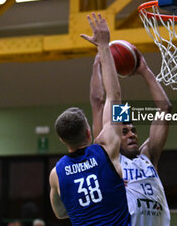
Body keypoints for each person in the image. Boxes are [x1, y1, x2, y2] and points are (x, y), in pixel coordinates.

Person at [49, 13, 131, 226]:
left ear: (62, 140)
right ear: (89, 132)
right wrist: (103, 47)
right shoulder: (105, 149)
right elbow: (115, 96)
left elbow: (60, 213)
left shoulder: (56, 174)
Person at [90, 48, 172, 225]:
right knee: (114, 101)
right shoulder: (110, 160)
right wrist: (99, 64)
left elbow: (165, 109)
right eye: (125, 132)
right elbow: (98, 101)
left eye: (133, 131)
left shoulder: (148, 156)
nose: (132, 135)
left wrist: (144, 70)